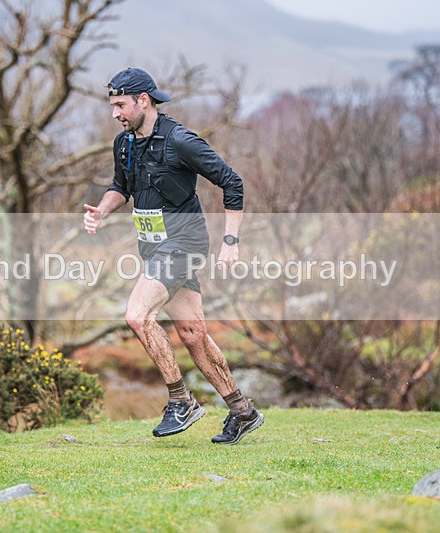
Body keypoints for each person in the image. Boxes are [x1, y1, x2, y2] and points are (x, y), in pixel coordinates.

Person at [83, 67, 264, 445]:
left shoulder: (180, 140)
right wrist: (102, 210)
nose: (115, 113)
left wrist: (231, 241)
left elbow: (232, 182)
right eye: (113, 105)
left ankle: (181, 400)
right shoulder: (125, 143)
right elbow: (121, 187)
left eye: (120, 105)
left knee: (137, 315)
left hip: (185, 244)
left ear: (143, 101)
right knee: (193, 334)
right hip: (153, 248)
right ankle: (242, 411)